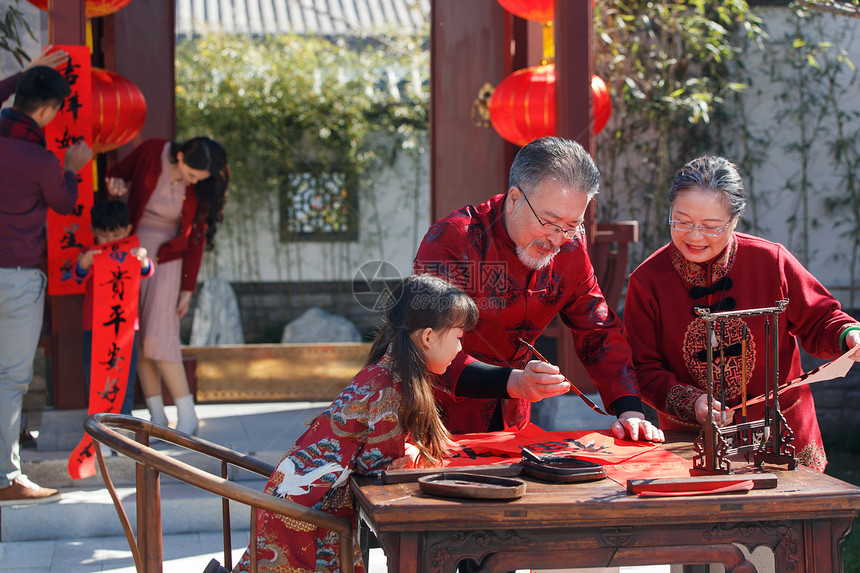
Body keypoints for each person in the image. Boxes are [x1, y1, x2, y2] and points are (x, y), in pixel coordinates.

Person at [207, 274, 479, 573]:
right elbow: (383, 470)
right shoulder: (392, 387)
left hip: (299, 504)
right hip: (308, 517)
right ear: (428, 337)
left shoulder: (385, 373)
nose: (459, 349)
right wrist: (416, 455)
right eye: (458, 338)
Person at [414, 136, 663, 443]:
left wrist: (629, 409)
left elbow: (596, 326)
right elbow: (426, 342)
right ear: (515, 198)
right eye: (550, 222)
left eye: (573, 225)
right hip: (434, 417)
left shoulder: (571, 246)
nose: (558, 239)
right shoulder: (452, 241)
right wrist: (515, 382)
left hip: (513, 420)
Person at [624, 155, 860, 471]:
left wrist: (849, 335)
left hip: (779, 432)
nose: (694, 236)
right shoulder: (648, 280)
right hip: (693, 439)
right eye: (682, 221)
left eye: (710, 226)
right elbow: (642, 366)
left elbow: (821, 318)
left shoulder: (770, 261)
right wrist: (693, 403)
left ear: (734, 221)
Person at [0, 49, 93, 505]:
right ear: (50, 110)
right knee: (10, 380)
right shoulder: (40, 160)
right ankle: (4, 478)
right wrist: (72, 170)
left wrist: (22, 75)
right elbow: (62, 203)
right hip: (16, 280)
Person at [106, 136, 229, 435]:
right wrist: (116, 185)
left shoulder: (198, 189)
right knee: (137, 337)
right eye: (190, 175)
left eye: (199, 180)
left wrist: (187, 289)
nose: (192, 183)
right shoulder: (152, 151)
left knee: (161, 337)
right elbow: (118, 172)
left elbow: (196, 241)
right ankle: (157, 416)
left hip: (167, 260)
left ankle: (187, 415)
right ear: (180, 157)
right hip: (132, 252)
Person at [76, 201, 154, 446]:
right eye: (104, 234)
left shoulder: (132, 251)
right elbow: (76, 276)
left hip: (125, 329)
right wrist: (84, 263)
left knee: (125, 381)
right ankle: (99, 436)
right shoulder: (90, 253)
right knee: (96, 381)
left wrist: (143, 260)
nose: (110, 238)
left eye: (116, 233)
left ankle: (123, 435)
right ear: (94, 231)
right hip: (95, 328)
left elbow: (148, 271)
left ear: (128, 229)